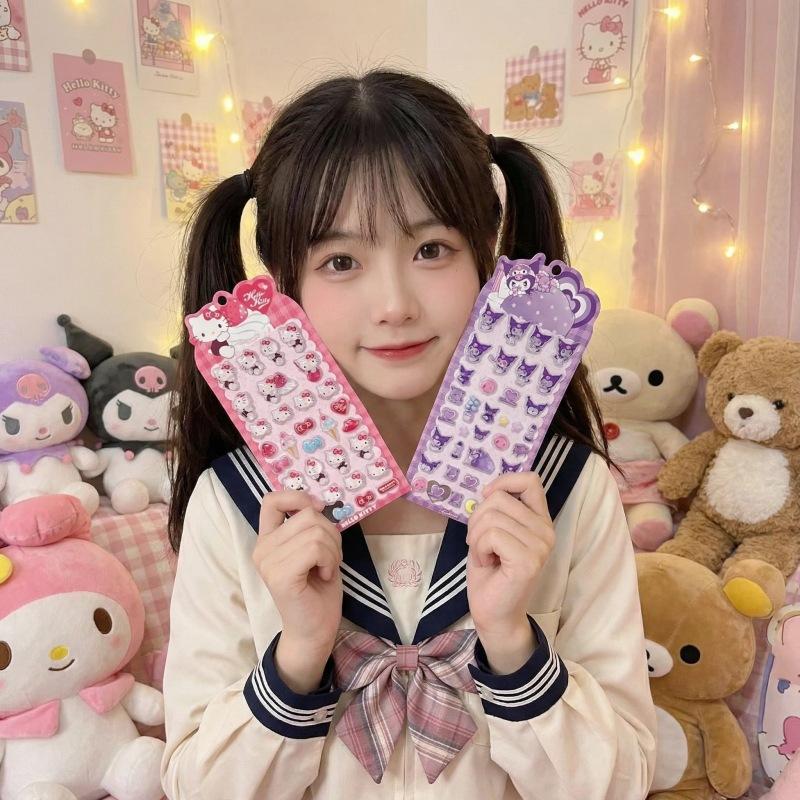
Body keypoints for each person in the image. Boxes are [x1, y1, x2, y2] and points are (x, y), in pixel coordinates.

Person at [161, 69, 656, 799]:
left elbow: (624, 780)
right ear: (284, 282)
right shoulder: (235, 503)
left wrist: (514, 644)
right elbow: (194, 785)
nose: (394, 304)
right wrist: (299, 653)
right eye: (341, 262)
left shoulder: (568, 490)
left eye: (431, 249)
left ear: (485, 252)